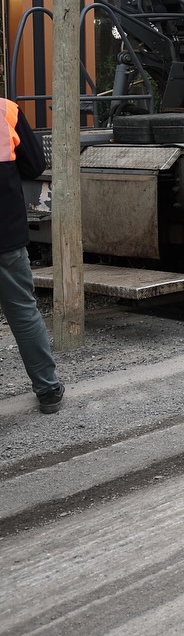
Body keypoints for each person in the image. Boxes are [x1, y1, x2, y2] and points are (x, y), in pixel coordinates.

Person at [0, 97, 63, 413]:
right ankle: (48, 390)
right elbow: (36, 165)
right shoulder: (6, 111)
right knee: (24, 312)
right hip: (7, 236)